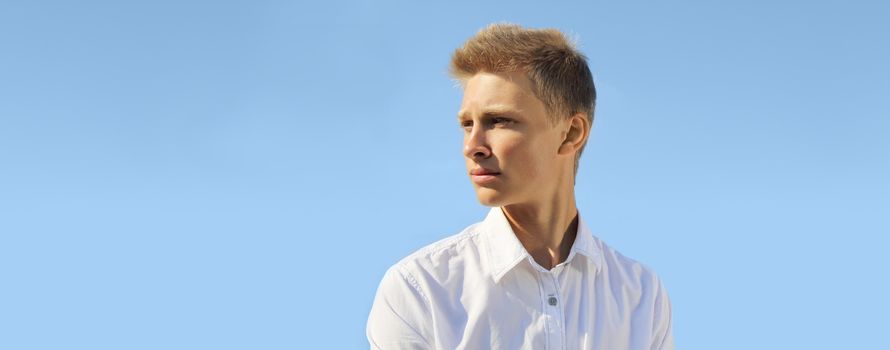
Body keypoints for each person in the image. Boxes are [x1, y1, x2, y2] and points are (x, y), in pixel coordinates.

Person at [366, 23, 674, 350]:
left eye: (499, 121)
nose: (472, 146)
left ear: (571, 134)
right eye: (467, 124)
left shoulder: (640, 295)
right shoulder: (420, 289)